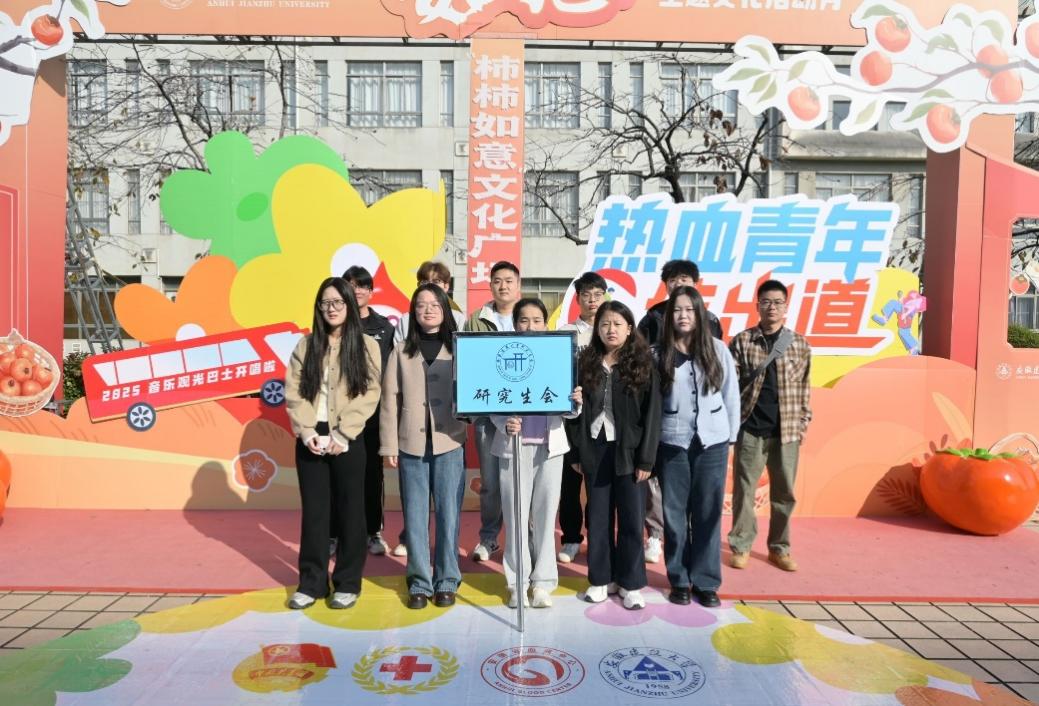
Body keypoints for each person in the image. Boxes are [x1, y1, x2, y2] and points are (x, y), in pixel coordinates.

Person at [284, 277, 382, 610]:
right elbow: (294, 391)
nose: (332, 308)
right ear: (318, 308)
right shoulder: (306, 345)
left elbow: (370, 392)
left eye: (338, 302)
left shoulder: (366, 346)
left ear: (349, 305)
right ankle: (311, 583)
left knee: (351, 511)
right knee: (315, 513)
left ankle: (348, 583)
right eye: (326, 303)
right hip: (312, 435)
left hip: (348, 437)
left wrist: (344, 434)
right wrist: (306, 430)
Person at [567, 301, 661, 610]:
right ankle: (600, 579)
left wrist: (647, 460)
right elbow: (576, 412)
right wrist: (577, 452)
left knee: (632, 520)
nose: (611, 330)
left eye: (618, 324)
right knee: (598, 519)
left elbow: (652, 416)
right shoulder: (586, 362)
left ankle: (630, 584)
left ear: (629, 329)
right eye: (605, 324)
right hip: (595, 448)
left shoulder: (643, 365)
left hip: (630, 453)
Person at [380, 283, 469, 609]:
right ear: (413, 312)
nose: (428, 310)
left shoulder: (460, 349)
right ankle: (419, 581)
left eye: (434, 304)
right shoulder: (401, 351)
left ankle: (447, 579)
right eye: (421, 305)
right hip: (411, 445)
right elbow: (389, 399)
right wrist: (389, 445)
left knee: (448, 516)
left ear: (445, 309)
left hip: (450, 442)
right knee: (415, 518)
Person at [491, 298, 583, 609]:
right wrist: (504, 421)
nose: (530, 326)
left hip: (550, 448)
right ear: (515, 325)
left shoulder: (560, 357)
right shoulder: (501, 357)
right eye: (524, 320)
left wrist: (575, 402)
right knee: (515, 518)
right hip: (513, 447)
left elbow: (569, 409)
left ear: (546, 324)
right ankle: (517, 583)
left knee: (545, 518)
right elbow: (488, 398)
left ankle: (543, 583)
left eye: (537, 320)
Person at [654, 286, 740, 608]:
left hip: (713, 442)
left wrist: (731, 436)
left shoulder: (718, 350)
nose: (683, 315)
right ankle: (679, 579)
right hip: (672, 442)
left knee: (707, 513)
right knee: (674, 513)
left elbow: (731, 394)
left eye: (689, 309)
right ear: (669, 316)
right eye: (677, 310)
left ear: (699, 313)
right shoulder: (657, 353)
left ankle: (706, 581)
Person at [636, 259, 722, 565]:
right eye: (672, 280)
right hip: (661, 413)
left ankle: (692, 542)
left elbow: (718, 372)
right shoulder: (652, 318)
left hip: (699, 421)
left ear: (696, 284)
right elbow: (641, 360)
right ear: (665, 285)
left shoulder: (709, 319)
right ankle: (656, 534)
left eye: (684, 278)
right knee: (656, 482)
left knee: (694, 485)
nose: (678, 284)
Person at [727, 279, 812, 573]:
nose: (771, 307)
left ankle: (779, 548)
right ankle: (741, 546)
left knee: (784, 493)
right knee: (744, 491)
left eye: (777, 302)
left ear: (786, 307)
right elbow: (730, 385)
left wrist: (803, 423)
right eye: (766, 302)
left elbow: (804, 388)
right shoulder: (742, 341)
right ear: (758, 306)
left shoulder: (799, 344)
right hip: (750, 428)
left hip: (786, 431)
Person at [465, 260, 522, 562]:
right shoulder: (477, 320)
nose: (503, 286)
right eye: (497, 281)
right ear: (490, 285)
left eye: (509, 280)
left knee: (522, 480)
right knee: (490, 482)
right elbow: (467, 362)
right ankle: (489, 538)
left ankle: (522, 540)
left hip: (525, 412)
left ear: (518, 285)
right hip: (487, 411)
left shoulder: (528, 315)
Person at [342, 266, 397, 556]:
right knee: (339, 475)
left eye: (363, 286)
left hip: (373, 416)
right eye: (351, 285)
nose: (357, 291)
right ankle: (336, 534)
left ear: (371, 292)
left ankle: (373, 532)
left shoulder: (383, 328)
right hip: (339, 414)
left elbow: (389, 372)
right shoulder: (334, 322)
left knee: (371, 475)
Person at [555, 271, 607, 564]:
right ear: (578, 299)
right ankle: (571, 538)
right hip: (572, 420)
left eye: (598, 295)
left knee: (598, 486)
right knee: (570, 484)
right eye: (586, 295)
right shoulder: (566, 332)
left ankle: (598, 538)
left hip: (604, 419)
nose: (592, 300)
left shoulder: (612, 329)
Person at [393, 260, 466, 343]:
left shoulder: (458, 318)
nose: (430, 285)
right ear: (418, 286)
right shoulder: (406, 320)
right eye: (425, 281)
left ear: (446, 286)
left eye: (436, 281)